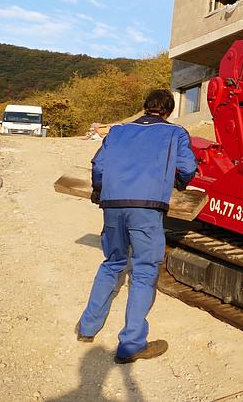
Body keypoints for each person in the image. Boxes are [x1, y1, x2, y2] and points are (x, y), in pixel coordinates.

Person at [76, 89, 197, 363]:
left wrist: (99, 190)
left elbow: (99, 165)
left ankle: (87, 327)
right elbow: (188, 167)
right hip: (147, 208)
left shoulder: (117, 132)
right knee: (144, 270)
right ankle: (131, 345)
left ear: (145, 108)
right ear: (168, 111)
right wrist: (179, 183)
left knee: (112, 262)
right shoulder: (175, 133)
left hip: (113, 205)